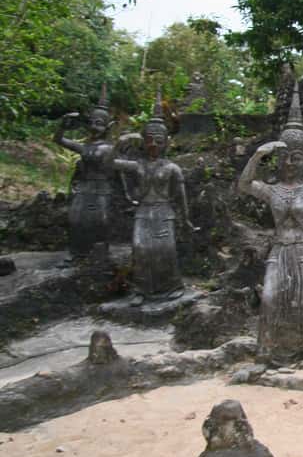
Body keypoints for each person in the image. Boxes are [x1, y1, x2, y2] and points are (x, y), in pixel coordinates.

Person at [238, 83, 303, 365]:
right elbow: (244, 184)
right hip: (279, 249)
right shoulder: (272, 190)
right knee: (271, 299)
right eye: (284, 157)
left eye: (296, 157)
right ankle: (267, 352)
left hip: (302, 250)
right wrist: (256, 156)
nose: (289, 163)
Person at [114, 90, 197, 305]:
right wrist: (121, 141)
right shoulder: (137, 164)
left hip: (163, 212)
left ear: (166, 143)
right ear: (143, 141)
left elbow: (181, 196)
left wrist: (185, 219)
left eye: (158, 141)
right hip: (143, 211)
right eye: (148, 140)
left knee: (165, 250)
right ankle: (141, 290)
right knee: (140, 249)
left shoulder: (172, 168)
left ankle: (171, 287)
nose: (153, 144)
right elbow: (109, 163)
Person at [54, 83, 116, 260]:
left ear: (108, 127)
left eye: (99, 124)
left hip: (102, 190)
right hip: (83, 189)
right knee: (75, 220)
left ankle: (100, 254)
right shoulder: (84, 147)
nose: (94, 127)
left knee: (100, 221)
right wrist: (63, 126)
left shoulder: (109, 148)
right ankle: (77, 253)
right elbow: (58, 139)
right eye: (91, 123)